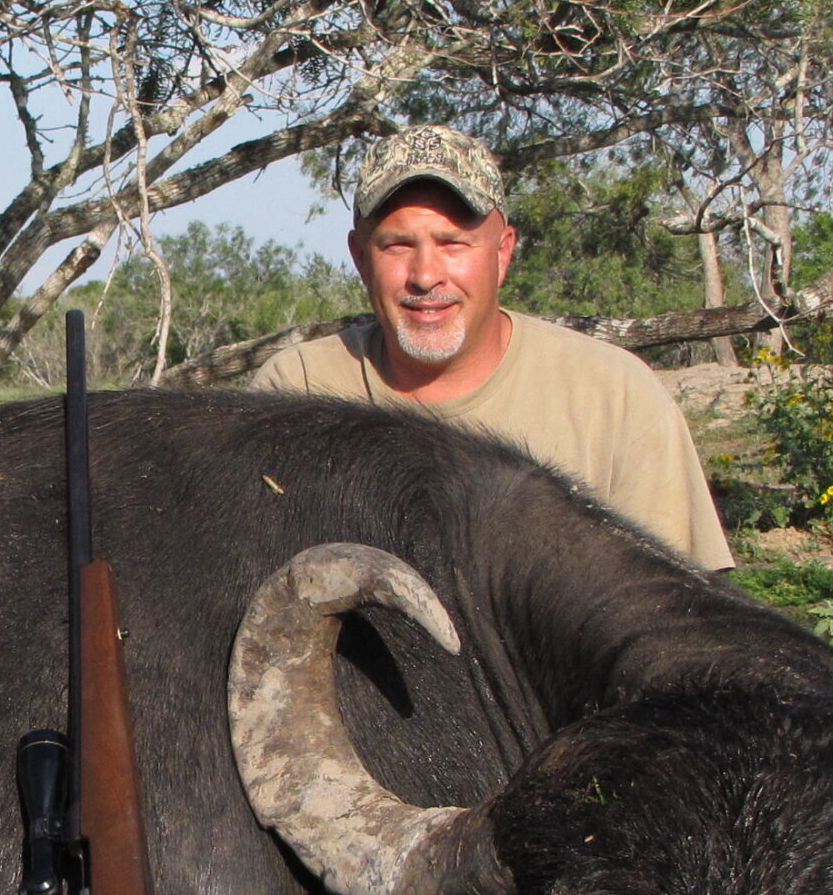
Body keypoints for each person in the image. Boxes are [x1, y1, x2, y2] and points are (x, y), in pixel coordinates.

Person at [248, 126, 733, 570]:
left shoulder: (615, 395)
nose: (424, 276)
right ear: (359, 257)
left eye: (453, 243)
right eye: (397, 245)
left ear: (502, 253)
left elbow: (682, 618)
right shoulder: (296, 391)